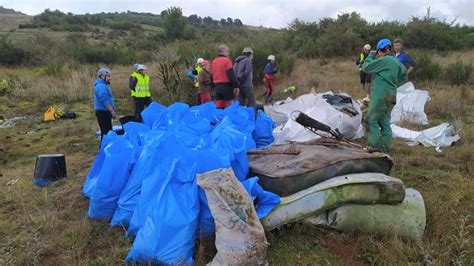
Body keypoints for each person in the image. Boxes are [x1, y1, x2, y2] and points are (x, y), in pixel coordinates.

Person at [362, 38, 408, 152]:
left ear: (385, 49)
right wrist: (392, 84)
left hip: (381, 94)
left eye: (379, 52)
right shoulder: (397, 62)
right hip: (392, 94)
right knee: (384, 121)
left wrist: (371, 55)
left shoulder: (385, 60)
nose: (379, 54)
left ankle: (373, 146)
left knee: (370, 120)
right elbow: (404, 77)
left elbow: (366, 67)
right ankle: (383, 148)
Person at [211, 44, 240, 109]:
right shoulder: (227, 60)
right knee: (229, 107)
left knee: (219, 106)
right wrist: (236, 85)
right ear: (223, 51)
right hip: (226, 87)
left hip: (217, 87)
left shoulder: (214, 61)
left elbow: (211, 75)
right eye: (227, 51)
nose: (228, 53)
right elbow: (231, 74)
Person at [94, 68, 115, 142]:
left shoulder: (103, 85)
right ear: (102, 77)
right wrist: (111, 110)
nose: (110, 78)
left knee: (107, 132)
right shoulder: (100, 86)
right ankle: (104, 151)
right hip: (102, 112)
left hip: (104, 112)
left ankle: (106, 149)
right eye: (108, 76)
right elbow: (104, 99)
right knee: (106, 133)